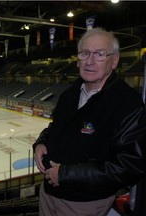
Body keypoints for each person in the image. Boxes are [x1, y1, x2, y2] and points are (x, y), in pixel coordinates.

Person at [33, 27, 146, 216]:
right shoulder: (69, 95)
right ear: (78, 59)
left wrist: (65, 174)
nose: (90, 61)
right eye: (85, 53)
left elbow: (129, 164)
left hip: (83, 204)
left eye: (100, 54)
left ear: (114, 61)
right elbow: (56, 128)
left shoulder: (127, 103)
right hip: (47, 195)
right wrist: (41, 143)